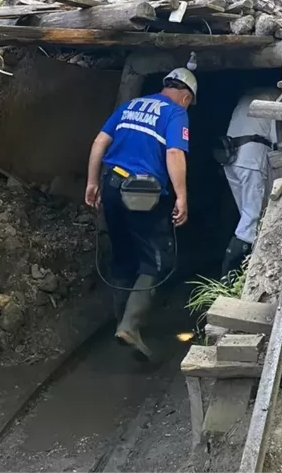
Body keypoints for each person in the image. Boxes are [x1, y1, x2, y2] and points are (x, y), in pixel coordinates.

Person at [84, 67, 197, 359]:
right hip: (142, 194)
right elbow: (174, 153)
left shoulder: (130, 105)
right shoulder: (176, 113)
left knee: (123, 255)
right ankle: (130, 327)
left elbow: (99, 142)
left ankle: (121, 322)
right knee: (157, 260)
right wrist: (182, 195)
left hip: (110, 184)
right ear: (186, 97)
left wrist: (92, 182)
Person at [220, 88, 278, 278]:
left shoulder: (244, 97)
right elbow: (277, 139)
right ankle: (231, 275)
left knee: (245, 216)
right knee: (251, 219)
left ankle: (233, 273)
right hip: (251, 159)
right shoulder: (277, 99)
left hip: (229, 158)